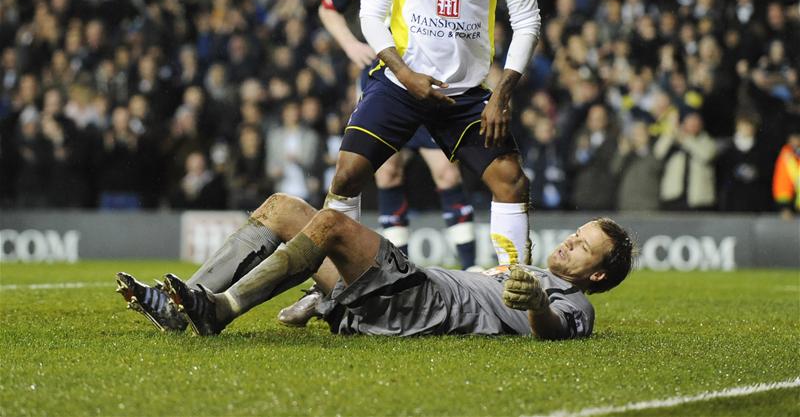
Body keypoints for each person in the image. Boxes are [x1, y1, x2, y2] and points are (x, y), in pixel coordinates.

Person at [327, 0, 541, 271]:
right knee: (347, 175)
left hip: (462, 96)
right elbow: (371, 15)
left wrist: (501, 93)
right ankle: (339, 283)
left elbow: (528, 21)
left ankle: (514, 283)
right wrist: (405, 74)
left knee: (512, 181)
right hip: (398, 85)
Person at [116, 192, 635, 340]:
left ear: (596, 274)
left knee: (334, 225)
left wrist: (540, 304)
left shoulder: (573, 302)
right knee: (281, 210)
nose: (569, 244)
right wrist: (322, 299)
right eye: (575, 234)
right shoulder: (527, 274)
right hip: (404, 294)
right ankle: (184, 303)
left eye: (583, 247)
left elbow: (556, 332)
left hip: (420, 302)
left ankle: (221, 309)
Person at [316, 0, 477, 268]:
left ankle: (471, 268)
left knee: (445, 170)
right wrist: (350, 44)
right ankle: (399, 272)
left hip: (426, 78)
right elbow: (328, 7)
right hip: (380, 81)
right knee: (388, 172)